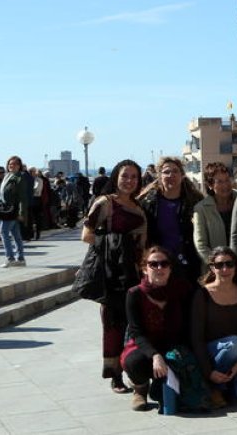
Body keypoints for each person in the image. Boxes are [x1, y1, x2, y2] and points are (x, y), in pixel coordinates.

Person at [82, 160, 147, 392]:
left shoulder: (138, 208)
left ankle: (133, 369)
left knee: (134, 324)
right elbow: (86, 234)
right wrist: (115, 244)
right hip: (110, 276)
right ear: (116, 177)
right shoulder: (105, 204)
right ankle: (114, 375)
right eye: (124, 176)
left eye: (133, 177)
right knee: (112, 326)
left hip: (132, 274)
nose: (129, 181)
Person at [122, 245, 193, 412]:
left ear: (170, 268)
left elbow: (189, 324)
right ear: (145, 269)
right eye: (153, 264)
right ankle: (140, 388)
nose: (159, 268)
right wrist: (155, 355)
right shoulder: (134, 294)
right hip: (144, 346)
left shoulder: (181, 289)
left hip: (173, 344)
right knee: (134, 362)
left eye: (164, 264)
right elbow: (136, 332)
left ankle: (159, 387)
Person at [192, 246, 237, 408]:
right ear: (212, 268)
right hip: (211, 354)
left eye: (229, 264)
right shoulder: (202, 295)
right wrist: (209, 371)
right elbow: (196, 338)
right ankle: (214, 386)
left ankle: (227, 386)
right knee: (235, 343)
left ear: (236, 267)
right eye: (219, 265)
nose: (225, 269)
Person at [139, 156, 204, 281]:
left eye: (175, 171)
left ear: (182, 175)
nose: (171, 175)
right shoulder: (148, 203)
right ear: (159, 176)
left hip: (188, 264)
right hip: (158, 265)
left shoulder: (195, 202)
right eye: (166, 172)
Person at [194, 162, 237, 259]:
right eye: (220, 182)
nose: (225, 185)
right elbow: (201, 245)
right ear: (210, 185)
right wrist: (217, 264)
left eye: (227, 180)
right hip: (216, 268)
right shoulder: (201, 209)